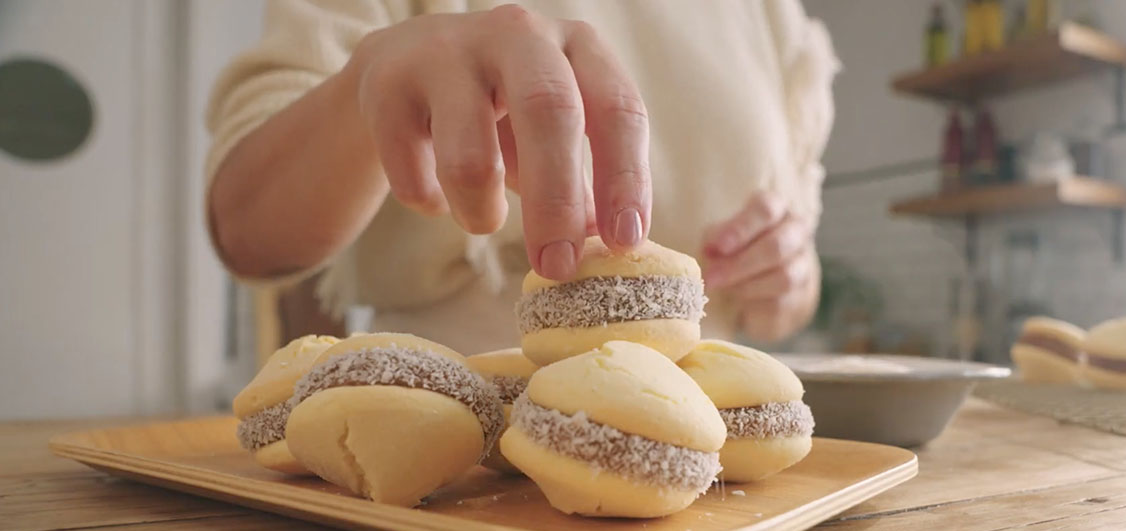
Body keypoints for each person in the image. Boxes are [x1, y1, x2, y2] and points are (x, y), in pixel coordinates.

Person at [206, 0, 838, 354]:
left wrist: (787, 274)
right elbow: (245, 228)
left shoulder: (770, 13)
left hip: (718, 467)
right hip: (455, 444)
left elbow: (790, 273)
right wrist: (368, 81)